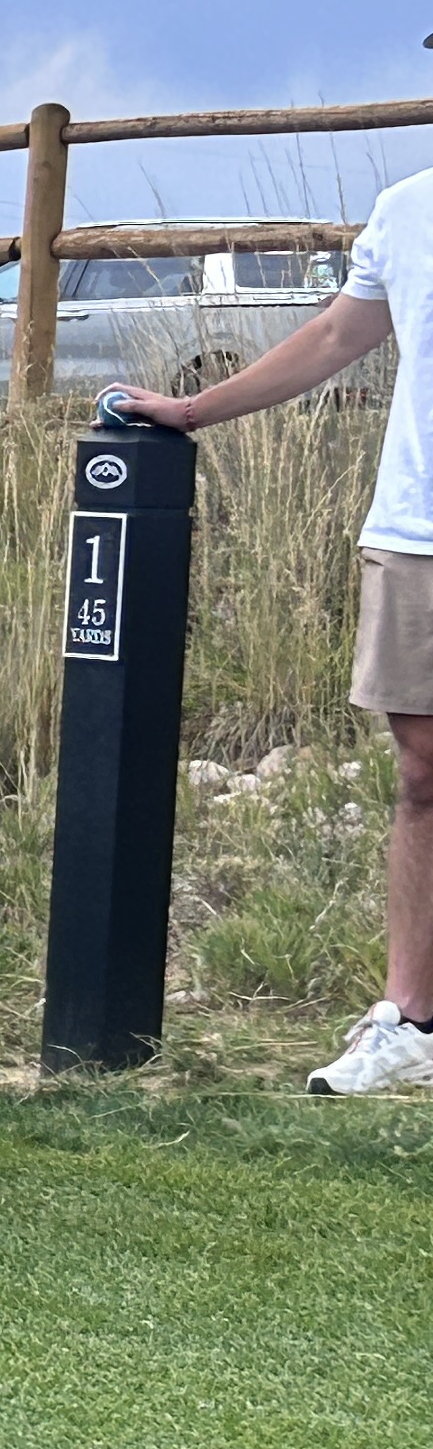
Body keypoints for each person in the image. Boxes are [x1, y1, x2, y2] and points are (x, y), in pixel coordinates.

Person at [118, 178, 433, 1094]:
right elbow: (338, 335)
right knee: (422, 778)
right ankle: (411, 1020)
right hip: (415, 532)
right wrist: (191, 411)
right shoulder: (406, 206)